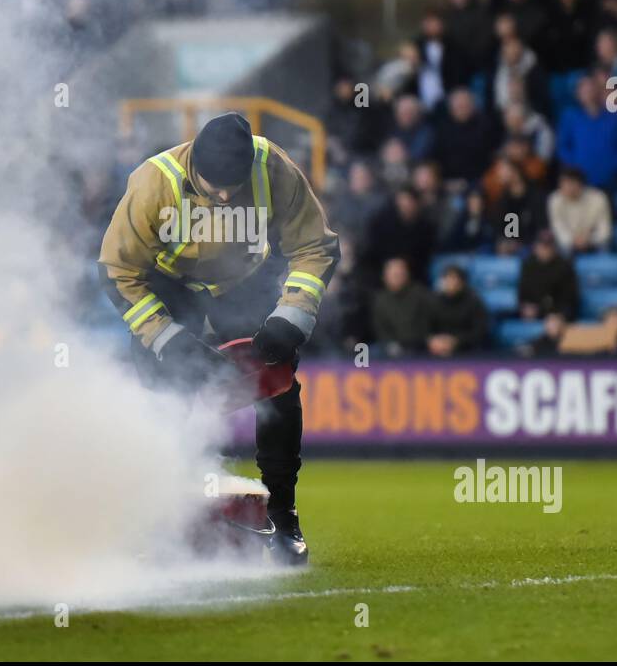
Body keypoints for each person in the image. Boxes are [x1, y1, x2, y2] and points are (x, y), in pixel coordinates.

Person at [98, 113, 339, 564]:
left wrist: (291, 317)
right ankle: (160, 525)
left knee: (279, 394)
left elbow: (314, 247)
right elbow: (118, 271)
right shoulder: (155, 183)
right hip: (168, 288)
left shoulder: (275, 168)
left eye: (235, 186)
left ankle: (283, 519)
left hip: (244, 285)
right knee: (162, 404)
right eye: (215, 188)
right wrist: (167, 337)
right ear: (194, 167)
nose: (226, 196)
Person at [371, 257, 434, 358]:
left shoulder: (421, 294)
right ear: (385, 277)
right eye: (394, 274)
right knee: (370, 352)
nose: (397, 277)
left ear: (407, 275)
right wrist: (391, 344)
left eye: (400, 274)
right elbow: (380, 328)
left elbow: (429, 322)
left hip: (419, 344)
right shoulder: (379, 299)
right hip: (390, 345)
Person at [425, 264, 490, 356]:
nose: (451, 283)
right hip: (436, 350)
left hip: (466, 351)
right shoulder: (434, 301)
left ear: (462, 282)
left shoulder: (474, 301)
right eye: (447, 279)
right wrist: (432, 340)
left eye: (455, 279)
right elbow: (425, 327)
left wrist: (456, 341)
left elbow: (480, 330)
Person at [547, 166, 613, 253]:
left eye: (570, 183)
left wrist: (589, 239)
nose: (566, 187)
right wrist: (573, 240)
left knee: (605, 245)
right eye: (563, 183)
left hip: (594, 242)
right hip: (567, 244)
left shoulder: (599, 198)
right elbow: (558, 228)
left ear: (580, 184)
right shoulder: (555, 199)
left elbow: (605, 230)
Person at [518, 230, 580, 320]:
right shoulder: (528, 266)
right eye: (542, 245)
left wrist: (557, 314)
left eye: (548, 246)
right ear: (535, 247)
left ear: (554, 247)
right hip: (532, 313)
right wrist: (526, 308)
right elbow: (522, 294)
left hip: (557, 313)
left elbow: (570, 300)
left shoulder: (564, 267)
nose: (545, 250)